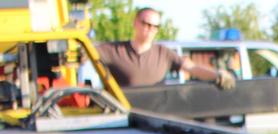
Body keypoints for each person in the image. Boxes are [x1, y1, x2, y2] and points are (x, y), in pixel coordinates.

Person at [96, 8, 235, 90]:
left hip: (157, 120)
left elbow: (192, 68)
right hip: (122, 121)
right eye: (146, 23)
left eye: (155, 26)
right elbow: (85, 52)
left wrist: (217, 75)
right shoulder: (112, 50)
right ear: (135, 23)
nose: (150, 29)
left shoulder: (164, 53)